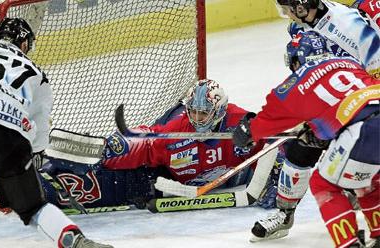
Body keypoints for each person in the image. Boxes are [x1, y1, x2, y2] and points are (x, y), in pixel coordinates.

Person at [0, 17, 112, 248]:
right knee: (33, 208)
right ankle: (76, 241)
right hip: (13, 141)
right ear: (23, 43)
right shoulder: (38, 74)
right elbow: (41, 119)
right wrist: (36, 152)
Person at [232, 31, 380, 247]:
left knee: (323, 184)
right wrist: (320, 131)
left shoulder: (297, 81)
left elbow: (267, 120)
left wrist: (246, 132)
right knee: (368, 181)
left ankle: (348, 244)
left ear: (295, 59)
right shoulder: (349, 61)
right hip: (368, 116)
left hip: (366, 130)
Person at [102, 79, 268, 191]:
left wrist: (274, 179)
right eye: (193, 111)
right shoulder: (177, 130)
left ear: (219, 111)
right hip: (171, 135)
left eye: (203, 113)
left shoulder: (239, 123)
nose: (196, 119)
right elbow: (150, 140)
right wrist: (121, 146)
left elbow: (273, 143)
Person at [275, 0, 380, 79]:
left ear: (300, 8)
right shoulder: (299, 25)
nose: (287, 15)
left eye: (286, 10)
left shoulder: (356, 29)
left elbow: (376, 79)